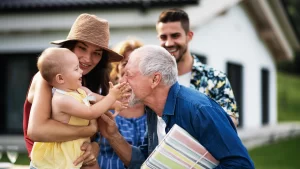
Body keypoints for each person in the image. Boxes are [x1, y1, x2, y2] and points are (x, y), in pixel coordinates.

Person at [97, 45, 255, 169]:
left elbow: (242, 165)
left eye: (129, 75)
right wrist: (113, 136)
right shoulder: (153, 109)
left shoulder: (199, 110)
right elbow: (146, 161)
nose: (122, 82)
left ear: (155, 80)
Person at [23, 13, 124, 167]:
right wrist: (87, 130)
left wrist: (93, 148)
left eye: (96, 53)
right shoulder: (48, 79)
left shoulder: (85, 81)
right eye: (82, 48)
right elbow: (37, 131)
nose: (87, 59)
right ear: (70, 47)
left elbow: (97, 136)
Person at [30, 47, 129, 169]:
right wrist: (111, 96)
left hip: (75, 149)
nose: (81, 71)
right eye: (76, 69)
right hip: (56, 161)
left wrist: (115, 103)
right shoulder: (61, 99)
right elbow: (90, 112)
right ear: (60, 78)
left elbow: (97, 98)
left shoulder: (81, 91)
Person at [156, 8, 239, 126]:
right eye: (163, 37)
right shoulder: (153, 78)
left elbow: (231, 122)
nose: (169, 43)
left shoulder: (215, 78)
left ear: (189, 36)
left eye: (175, 36)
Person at [98, 39, 146, 169]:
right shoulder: (103, 101)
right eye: (125, 63)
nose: (130, 67)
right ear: (117, 68)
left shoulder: (151, 107)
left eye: (136, 63)